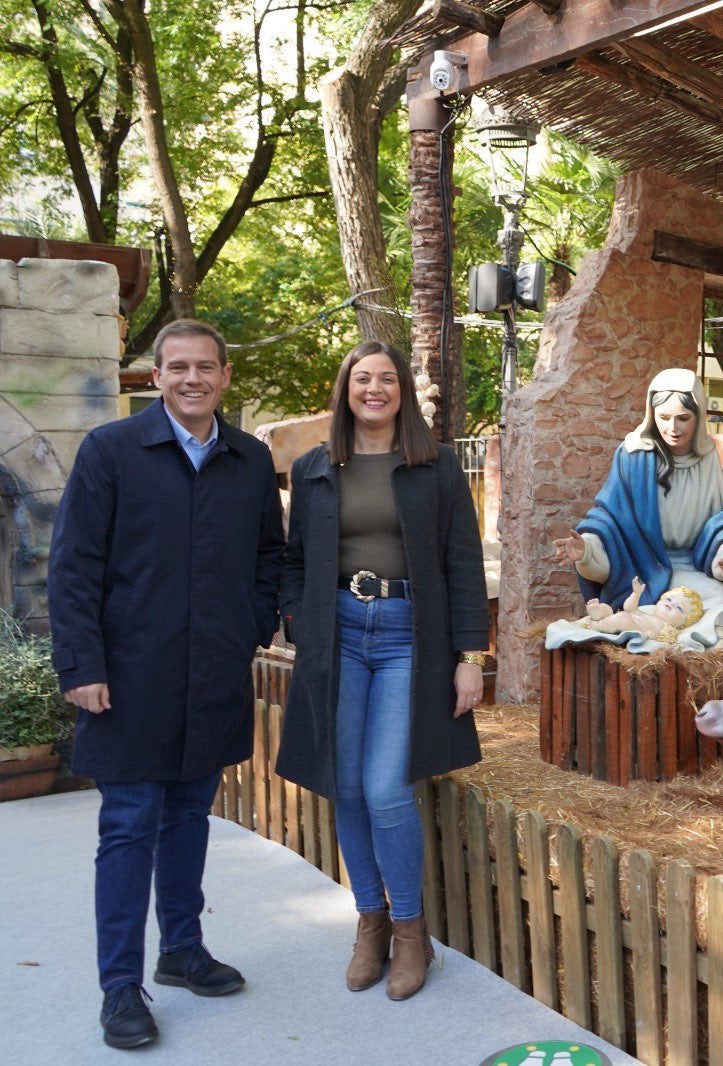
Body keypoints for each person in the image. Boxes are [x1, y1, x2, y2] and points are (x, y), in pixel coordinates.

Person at [48, 319, 285, 1049]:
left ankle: (181, 949)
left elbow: (268, 558)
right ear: (157, 377)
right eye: (177, 367)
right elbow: (74, 566)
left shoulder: (249, 459)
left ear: (224, 377)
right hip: (128, 678)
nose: (192, 379)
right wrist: (81, 667)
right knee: (127, 829)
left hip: (212, 674)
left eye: (205, 367)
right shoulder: (111, 451)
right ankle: (121, 987)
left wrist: (247, 626)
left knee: (188, 818)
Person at [275, 340, 489, 1002]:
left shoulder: (435, 466)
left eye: (386, 378)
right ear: (345, 389)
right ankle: (368, 924)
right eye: (361, 378)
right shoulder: (314, 468)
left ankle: (409, 931)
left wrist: (470, 656)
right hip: (337, 635)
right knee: (347, 785)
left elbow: (462, 562)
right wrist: (299, 621)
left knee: (386, 787)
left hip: (406, 638)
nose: (374, 388)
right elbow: (291, 562)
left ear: (402, 391)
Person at [553, 367, 723, 635]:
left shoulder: (707, 457)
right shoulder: (633, 455)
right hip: (646, 566)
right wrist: (586, 550)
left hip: (695, 563)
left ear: (698, 418)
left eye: (683, 418)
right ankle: (702, 676)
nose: (673, 428)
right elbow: (609, 519)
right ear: (652, 416)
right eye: (664, 417)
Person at [581, 578, 704, 639]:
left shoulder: (669, 628)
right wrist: (636, 594)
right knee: (608, 608)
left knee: (622, 618)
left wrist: (647, 634)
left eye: (679, 608)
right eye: (669, 599)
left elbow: (658, 637)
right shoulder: (647, 613)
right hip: (624, 617)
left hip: (630, 625)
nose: (671, 604)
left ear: (684, 623)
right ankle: (598, 613)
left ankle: (597, 624)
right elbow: (629, 608)